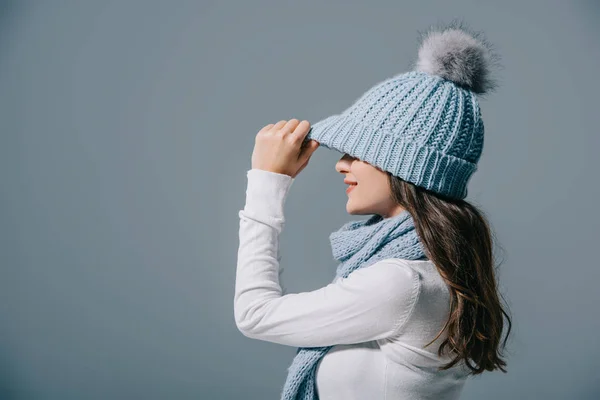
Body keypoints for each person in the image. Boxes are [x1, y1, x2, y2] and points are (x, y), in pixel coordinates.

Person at [235, 19, 512, 400]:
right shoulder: (430, 273)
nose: (341, 164)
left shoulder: (402, 284)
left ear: (403, 166)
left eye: (358, 152)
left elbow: (255, 315)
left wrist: (267, 182)